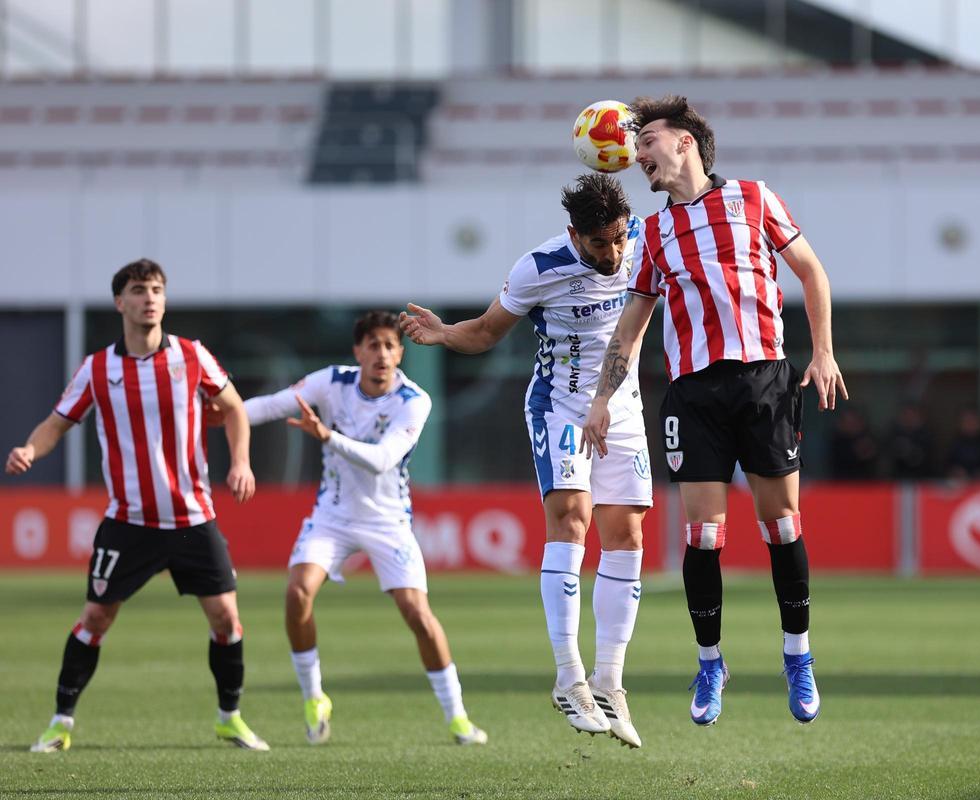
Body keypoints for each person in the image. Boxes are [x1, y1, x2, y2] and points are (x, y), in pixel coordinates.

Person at [581, 96, 847, 727]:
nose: (637, 153)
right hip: (694, 393)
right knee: (702, 535)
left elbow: (811, 273)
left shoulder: (755, 198)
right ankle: (710, 663)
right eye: (634, 145)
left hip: (764, 380)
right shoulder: (649, 233)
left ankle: (797, 656)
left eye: (647, 139)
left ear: (686, 143)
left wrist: (824, 352)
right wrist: (600, 397)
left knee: (782, 524)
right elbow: (631, 327)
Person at [400, 174, 650, 748]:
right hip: (561, 406)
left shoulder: (643, 242)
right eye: (597, 244)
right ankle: (569, 677)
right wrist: (444, 335)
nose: (611, 254)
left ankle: (609, 681)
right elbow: (487, 331)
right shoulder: (537, 267)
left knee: (627, 532)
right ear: (574, 235)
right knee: (572, 519)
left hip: (623, 406)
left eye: (615, 240)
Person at [6, 259, 268, 752]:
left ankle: (229, 717)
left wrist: (241, 462)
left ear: (164, 301)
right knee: (95, 619)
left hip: (193, 518)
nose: (149, 298)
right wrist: (29, 449)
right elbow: (56, 424)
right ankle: (60, 723)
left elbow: (234, 408)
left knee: (226, 619)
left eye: (156, 290)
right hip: (129, 522)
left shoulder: (192, 357)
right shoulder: (98, 368)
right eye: (138, 290)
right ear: (119, 302)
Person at [230, 311, 487, 746]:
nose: (381, 354)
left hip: (388, 522)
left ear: (401, 352)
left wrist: (327, 438)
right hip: (332, 515)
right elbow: (273, 405)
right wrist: (225, 411)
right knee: (296, 594)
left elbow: (384, 458)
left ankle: (458, 717)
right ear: (358, 352)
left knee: (419, 616)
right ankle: (315, 698)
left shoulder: (413, 400)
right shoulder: (331, 382)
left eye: (389, 345)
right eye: (373, 345)